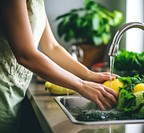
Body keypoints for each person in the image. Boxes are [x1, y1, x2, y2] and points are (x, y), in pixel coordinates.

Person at [0, 0, 118, 132]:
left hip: (15, 92)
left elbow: (52, 47)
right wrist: (81, 85)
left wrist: (89, 75)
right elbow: (25, 55)